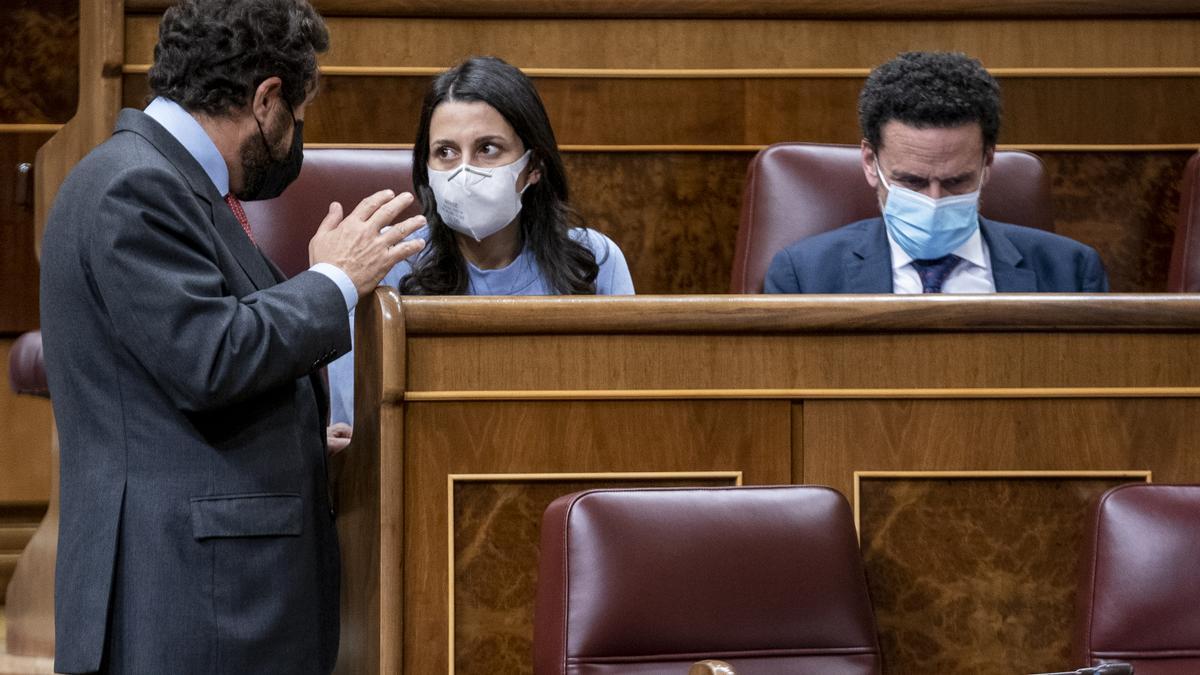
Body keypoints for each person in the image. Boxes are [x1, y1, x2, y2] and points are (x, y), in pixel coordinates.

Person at [38, 1, 426, 672]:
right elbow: (209, 357)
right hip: (189, 602)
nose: (296, 136)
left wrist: (303, 435)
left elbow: (170, 386)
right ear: (267, 97)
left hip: (201, 595)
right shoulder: (136, 187)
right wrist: (336, 278)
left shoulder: (163, 183)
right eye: (298, 115)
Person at [326, 56, 634, 428]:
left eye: (487, 149)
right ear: (425, 167)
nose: (464, 170)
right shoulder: (388, 268)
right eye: (445, 152)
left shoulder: (595, 261)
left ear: (533, 166)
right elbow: (356, 435)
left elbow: (623, 417)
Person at [764, 51, 1108, 294]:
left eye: (956, 181)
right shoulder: (804, 276)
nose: (934, 200)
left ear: (987, 163)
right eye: (911, 182)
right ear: (870, 162)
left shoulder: (1071, 271)